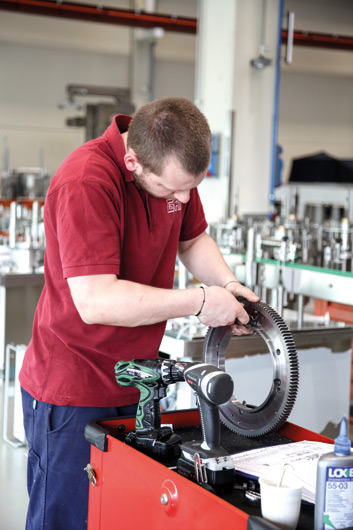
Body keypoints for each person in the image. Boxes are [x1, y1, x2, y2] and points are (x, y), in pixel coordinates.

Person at [19, 97, 259, 530]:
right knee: (69, 520)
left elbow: (192, 239)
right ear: (132, 161)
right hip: (75, 387)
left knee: (118, 516)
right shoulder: (84, 182)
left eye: (192, 186)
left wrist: (227, 285)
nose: (185, 197)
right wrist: (201, 300)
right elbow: (96, 301)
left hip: (136, 382)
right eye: (174, 189)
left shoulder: (169, 164)